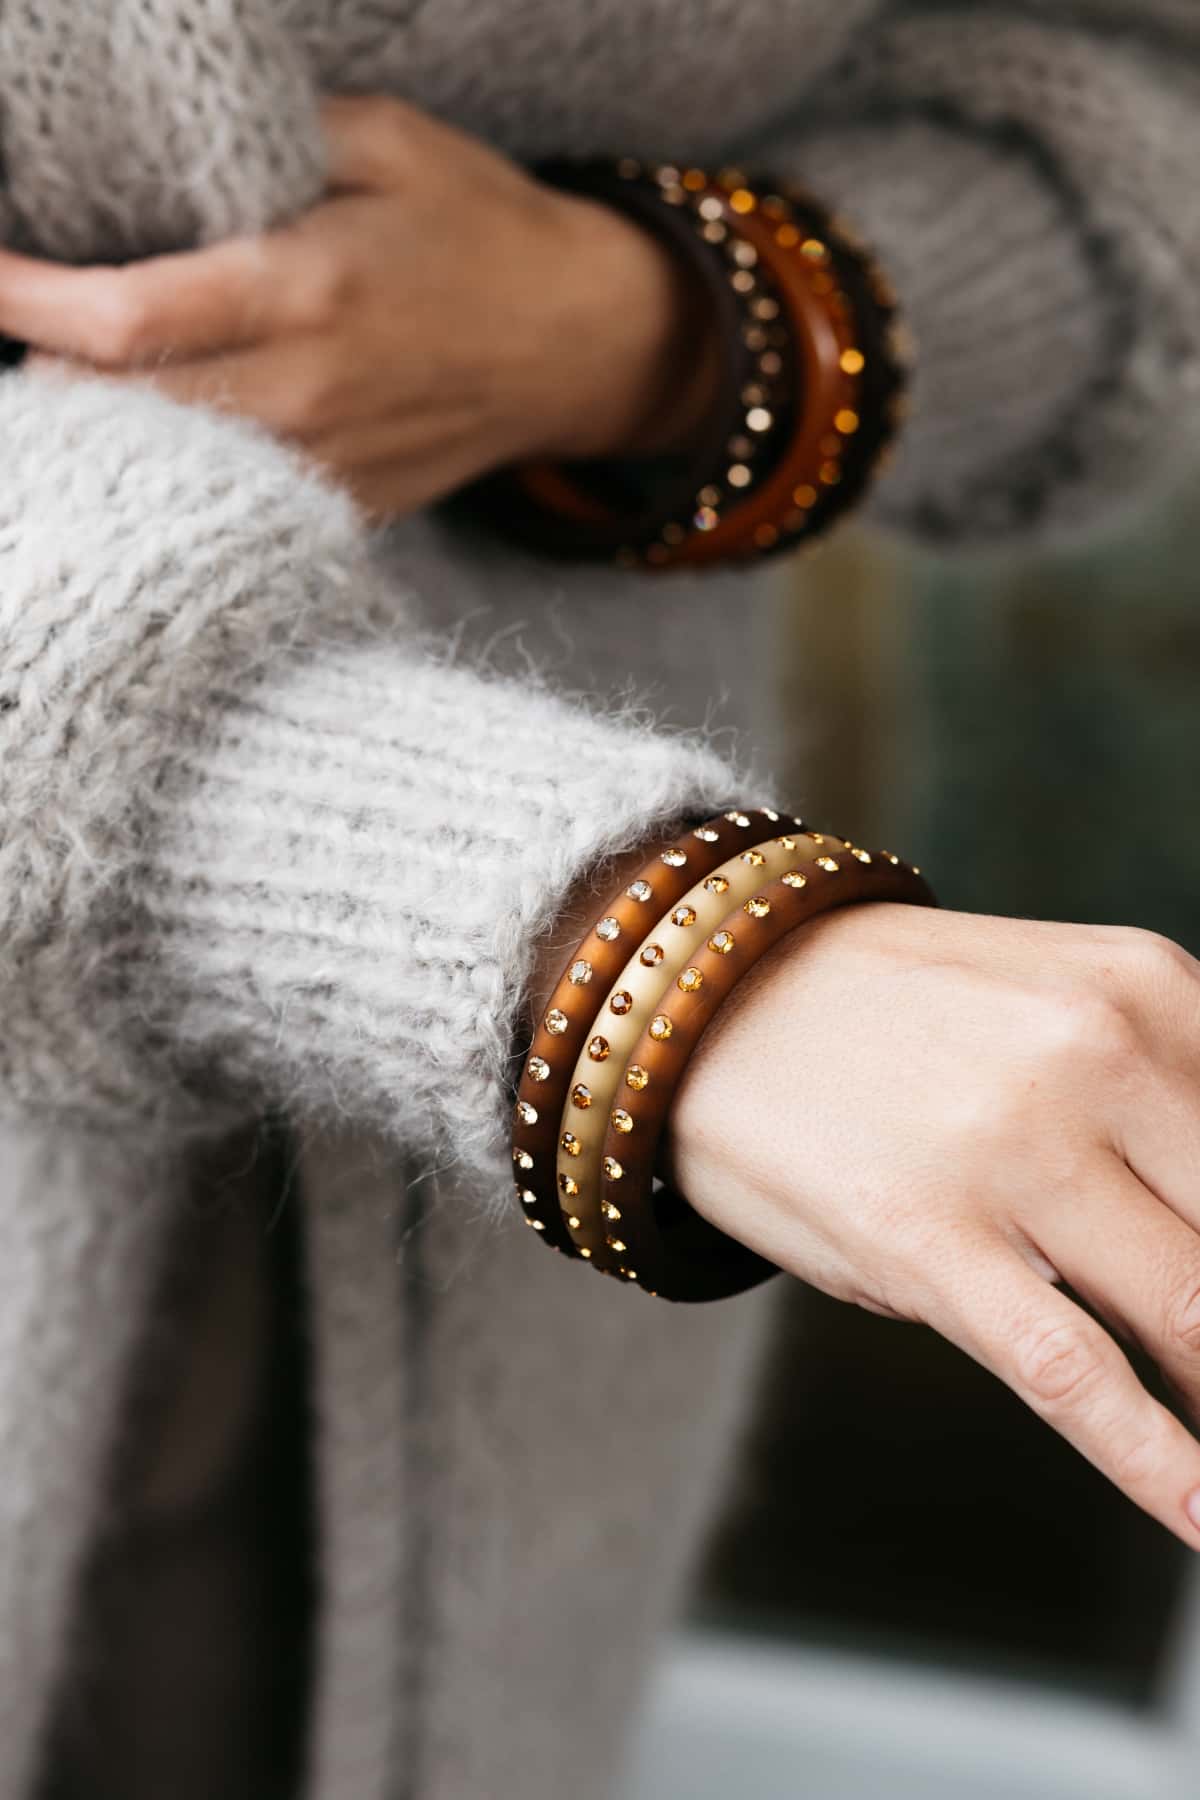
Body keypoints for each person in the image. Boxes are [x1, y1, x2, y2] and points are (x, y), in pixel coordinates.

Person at [1, 3, 1199, 1796]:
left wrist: (650, 328)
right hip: (633, 1059)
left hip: (496, 1339)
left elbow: (1133, 119)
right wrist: (635, 953)